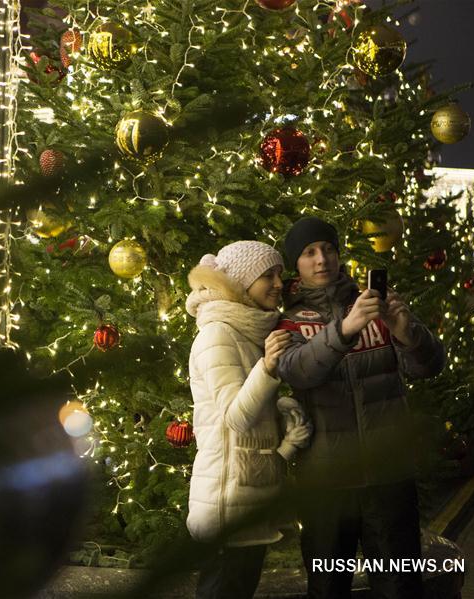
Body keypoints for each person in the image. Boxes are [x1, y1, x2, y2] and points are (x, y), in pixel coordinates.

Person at [276, 216, 446, 599]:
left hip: (389, 478)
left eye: (329, 249)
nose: (322, 259)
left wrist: (407, 333)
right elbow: (299, 372)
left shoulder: (374, 306)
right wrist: (344, 330)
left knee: (400, 585)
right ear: (296, 264)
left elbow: (430, 366)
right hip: (326, 483)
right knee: (327, 586)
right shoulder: (285, 319)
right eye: (309, 252)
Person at [185, 240, 312, 599]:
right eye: (266, 276)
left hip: (246, 496)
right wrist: (268, 367)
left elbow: (249, 409)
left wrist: (280, 407)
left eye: (279, 275)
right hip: (227, 503)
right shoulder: (218, 334)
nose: (277, 284)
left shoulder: (247, 330)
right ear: (241, 283)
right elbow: (235, 417)